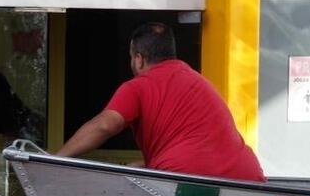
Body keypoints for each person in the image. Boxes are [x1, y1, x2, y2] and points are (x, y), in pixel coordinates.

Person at [57, 22, 266, 181]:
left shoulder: (138, 86)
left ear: (139, 58)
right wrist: (146, 165)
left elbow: (104, 126)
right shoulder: (198, 80)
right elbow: (194, 142)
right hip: (246, 178)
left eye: (131, 57)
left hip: (191, 185)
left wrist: (54, 160)